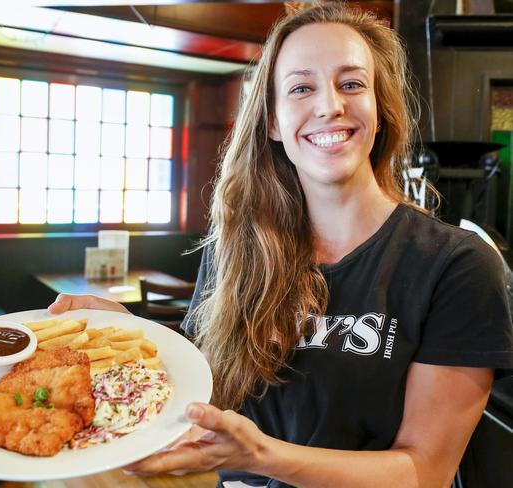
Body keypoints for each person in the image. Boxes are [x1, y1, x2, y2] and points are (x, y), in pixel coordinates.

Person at [49, 3, 513, 487]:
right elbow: (208, 392)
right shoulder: (238, 247)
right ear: (272, 122)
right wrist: (138, 340)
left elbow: (425, 471)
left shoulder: (456, 265)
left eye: (351, 84)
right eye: (301, 88)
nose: (330, 105)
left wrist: (261, 456)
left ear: (380, 110)